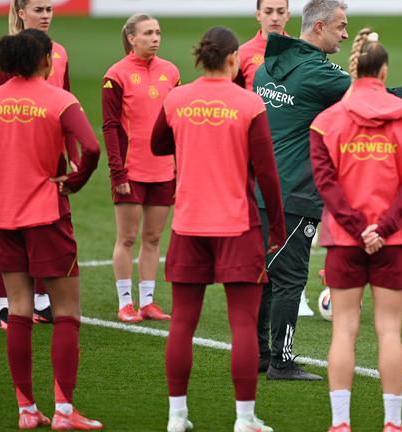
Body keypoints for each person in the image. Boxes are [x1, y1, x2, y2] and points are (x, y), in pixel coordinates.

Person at [253, 0, 402, 380]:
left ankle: (260, 355)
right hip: (295, 193)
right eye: (340, 26)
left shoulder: (265, 68)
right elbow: (379, 101)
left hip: (263, 189)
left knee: (268, 276)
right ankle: (280, 363)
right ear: (318, 28)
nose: (346, 34)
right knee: (289, 280)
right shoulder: (317, 74)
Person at [151, 26, 286, 432]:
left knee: (182, 322)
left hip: (188, 224)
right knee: (243, 324)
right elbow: (267, 173)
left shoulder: (176, 98)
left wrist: (195, 136)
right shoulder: (249, 104)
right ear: (233, 60)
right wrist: (277, 226)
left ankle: (177, 417)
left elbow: (158, 144)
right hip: (237, 226)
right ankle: (245, 420)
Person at [311, 28, 402, 432]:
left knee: (343, 330)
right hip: (393, 240)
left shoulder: (328, 121)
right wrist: (382, 227)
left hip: (344, 239)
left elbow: (325, 183)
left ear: (354, 67)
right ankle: (393, 423)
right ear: (385, 72)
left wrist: (359, 228)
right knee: (389, 331)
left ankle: (340, 423)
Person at [0, 28, 102, 430]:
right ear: (45, 60)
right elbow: (91, 148)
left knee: (19, 309)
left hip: (4, 217)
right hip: (46, 215)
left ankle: (27, 411)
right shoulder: (60, 100)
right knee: (66, 312)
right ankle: (63, 411)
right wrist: (75, 180)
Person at [233, 0, 316, 318]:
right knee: (262, 231)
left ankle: (298, 294)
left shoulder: (300, 51)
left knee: (296, 226)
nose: (275, 16)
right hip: (254, 154)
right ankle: (258, 296)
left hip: (293, 154)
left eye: (281, 11)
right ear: (258, 15)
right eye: (269, 11)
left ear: (289, 15)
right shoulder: (243, 54)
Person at [0, 0, 77, 328]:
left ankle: (42, 298)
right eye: (38, 10)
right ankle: (5, 301)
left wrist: (71, 154)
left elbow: (68, 102)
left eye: (49, 9)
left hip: (50, 153)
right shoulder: (7, 54)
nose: (45, 15)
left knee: (47, 225)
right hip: (14, 150)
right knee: (9, 222)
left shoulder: (58, 51)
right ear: (20, 13)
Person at [102, 13, 180, 323]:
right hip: (131, 171)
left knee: (152, 239)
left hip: (163, 171)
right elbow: (109, 126)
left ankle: (147, 302)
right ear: (132, 38)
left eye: (158, 32)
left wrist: (179, 167)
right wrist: (117, 172)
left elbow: (176, 123)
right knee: (127, 238)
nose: (155, 38)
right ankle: (125, 303)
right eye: (148, 33)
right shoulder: (116, 75)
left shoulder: (171, 73)